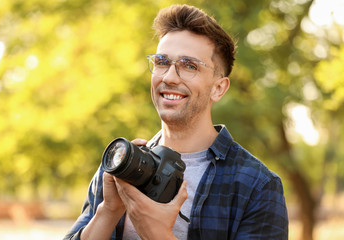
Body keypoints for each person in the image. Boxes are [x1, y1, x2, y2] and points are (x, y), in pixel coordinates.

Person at [64, 4, 288, 240]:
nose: (169, 77)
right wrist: (108, 212)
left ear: (218, 88)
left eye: (189, 66)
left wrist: (157, 233)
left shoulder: (257, 185)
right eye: (162, 62)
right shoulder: (120, 164)